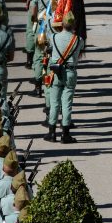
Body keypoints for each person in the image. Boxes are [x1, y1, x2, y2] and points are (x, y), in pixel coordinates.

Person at [44, 11, 84, 144]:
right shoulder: (78, 40)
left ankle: (51, 132)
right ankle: (65, 133)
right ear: (73, 25)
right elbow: (79, 53)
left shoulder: (54, 37)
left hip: (56, 72)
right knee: (67, 103)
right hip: (70, 72)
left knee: (54, 102)